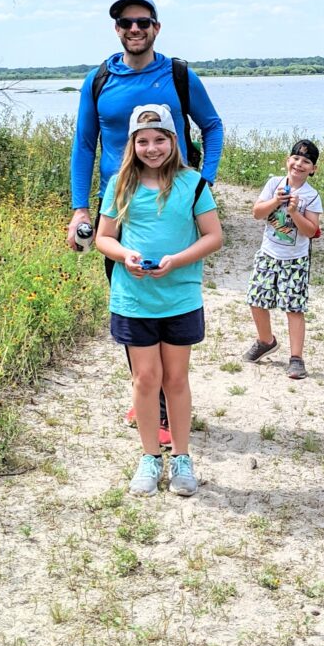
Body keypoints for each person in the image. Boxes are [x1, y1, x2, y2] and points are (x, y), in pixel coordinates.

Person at [67, 0, 224, 445]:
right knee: (130, 302)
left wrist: (204, 181)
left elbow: (212, 125)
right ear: (116, 29)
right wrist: (81, 207)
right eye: (125, 23)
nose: (134, 29)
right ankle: (147, 398)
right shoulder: (99, 80)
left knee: (169, 299)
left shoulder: (176, 74)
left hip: (173, 203)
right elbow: (84, 145)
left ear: (156, 27)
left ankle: (157, 404)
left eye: (143, 22)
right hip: (120, 206)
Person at [95, 104, 222, 496]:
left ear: (173, 141)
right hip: (133, 299)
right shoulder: (120, 184)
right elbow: (104, 236)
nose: (152, 148)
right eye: (143, 141)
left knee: (175, 379)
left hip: (180, 298)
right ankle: (150, 457)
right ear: (133, 144)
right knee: (145, 379)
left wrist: (177, 261)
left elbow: (213, 237)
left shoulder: (194, 185)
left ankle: (181, 457)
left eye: (160, 139)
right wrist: (124, 256)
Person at [243, 139, 323, 380]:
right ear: (287, 161)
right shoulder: (273, 184)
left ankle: (296, 358)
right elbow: (257, 213)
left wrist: (294, 212)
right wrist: (276, 201)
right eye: (295, 158)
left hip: (295, 259)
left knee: (294, 307)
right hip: (268, 253)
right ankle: (266, 340)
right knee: (256, 300)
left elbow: (311, 231)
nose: (299, 164)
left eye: (306, 161)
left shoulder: (312, 196)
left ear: (313, 169)